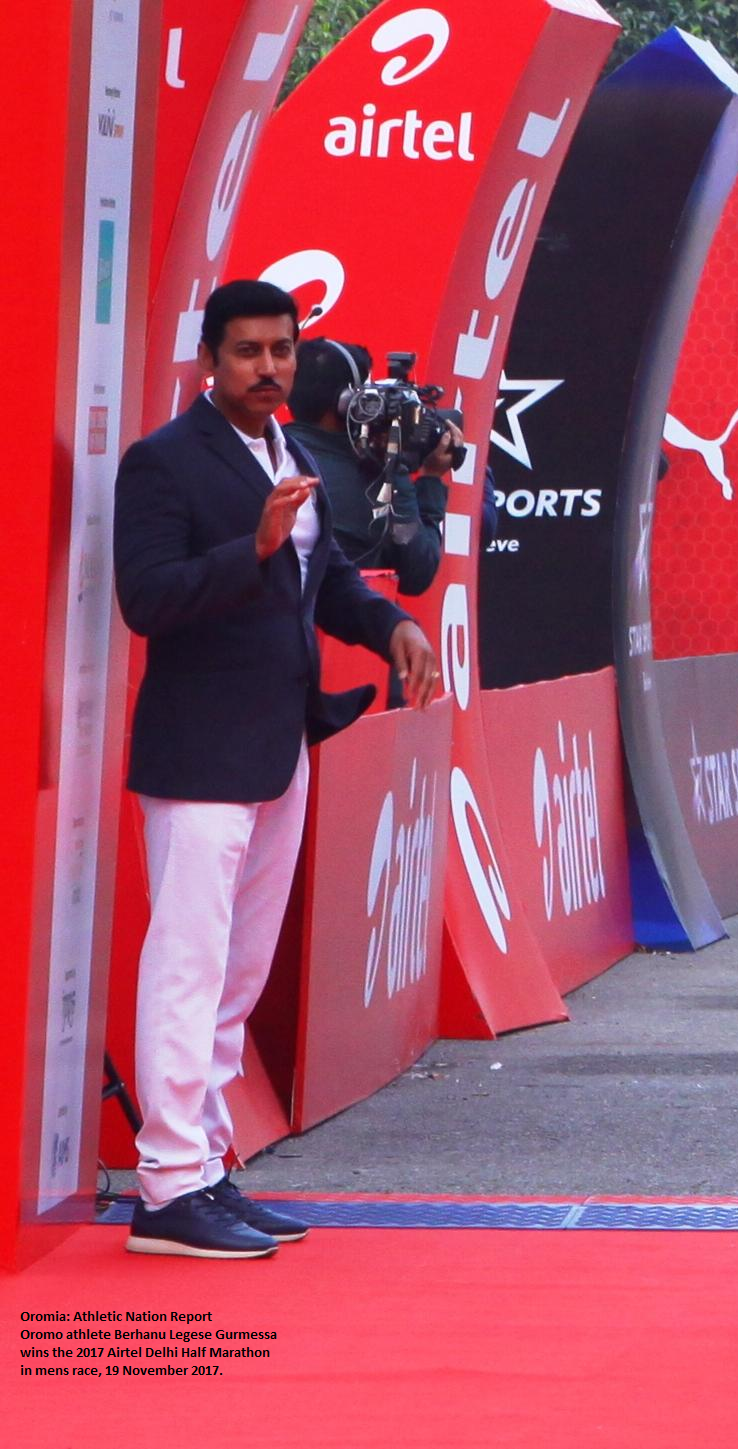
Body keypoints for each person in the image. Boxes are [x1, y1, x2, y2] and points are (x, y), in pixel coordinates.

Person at [113, 281, 441, 1259]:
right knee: (188, 965)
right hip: (198, 749)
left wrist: (392, 626)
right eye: (249, 352)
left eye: (282, 351)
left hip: (277, 744)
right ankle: (166, 1184)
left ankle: (206, 1166)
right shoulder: (163, 463)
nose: (269, 369)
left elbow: (326, 576)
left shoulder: (287, 450)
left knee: (235, 975)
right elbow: (147, 599)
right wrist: (249, 548)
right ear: (210, 359)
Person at [284, 338, 460, 595]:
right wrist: (430, 479)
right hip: (341, 627)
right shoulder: (380, 483)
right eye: (366, 395)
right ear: (347, 402)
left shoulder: (264, 453)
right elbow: (418, 571)